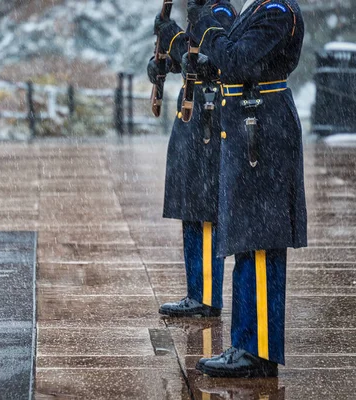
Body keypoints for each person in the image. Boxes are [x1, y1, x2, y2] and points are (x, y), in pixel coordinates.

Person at [186, 0, 307, 377]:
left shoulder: (276, 10)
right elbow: (227, 63)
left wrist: (206, 26)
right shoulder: (259, 9)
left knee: (258, 242)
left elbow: (239, 60)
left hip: (264, 131)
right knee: (247, 241)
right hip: (250, 129)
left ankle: (257, 350)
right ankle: (245, 342)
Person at [147, 1, 237, 318]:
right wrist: (165, 62)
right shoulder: (202, 12)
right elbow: (190, 56)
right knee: (190, 206)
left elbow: (214, 57)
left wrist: (171, 37)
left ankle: (207, 296)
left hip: (210, 116)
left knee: (204, 206)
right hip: (193, 114)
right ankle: (195, 291)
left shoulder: (221, 11)